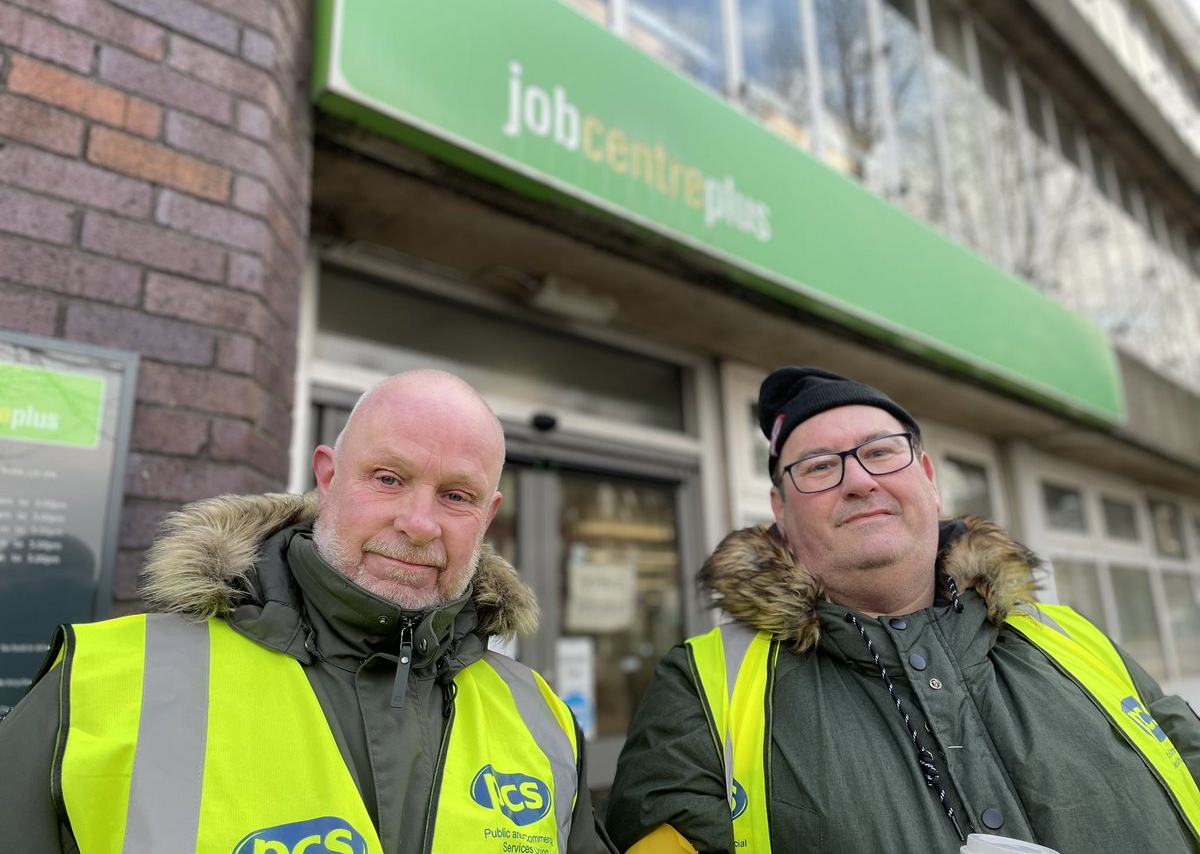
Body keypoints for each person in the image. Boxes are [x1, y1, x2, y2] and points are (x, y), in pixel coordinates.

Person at [0, 369, 616, 854]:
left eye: (456, 496)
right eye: (388, 478)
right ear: (328, 476)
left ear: (488, 515)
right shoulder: (104, 683)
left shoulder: (543, 721)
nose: (419, 524)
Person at [606, 366, 1200, 853]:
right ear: (780, 510)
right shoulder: (703, 688)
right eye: (819, 467)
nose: (859, 481)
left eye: (881, 452)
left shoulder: (1072, 639)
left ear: (929, 479)